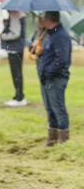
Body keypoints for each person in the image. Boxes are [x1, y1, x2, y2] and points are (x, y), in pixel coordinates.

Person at [38, 11, 71, 146]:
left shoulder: (60, 37)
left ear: (49, 19)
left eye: (43, 18)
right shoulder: (49, 35)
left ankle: (63, 141)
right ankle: (52, 139)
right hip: (47, 78)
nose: (41, 20)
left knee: (58, 108)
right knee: (50, 109)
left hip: (55, 79)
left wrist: (48, 72)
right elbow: (48, 56)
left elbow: (61, 60)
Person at [0, 10, 27, 106]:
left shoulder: (14, 15)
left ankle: (19, 97)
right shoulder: (19, 14)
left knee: (16, 73)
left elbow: (15, 33)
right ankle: (18, 95)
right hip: (17, 47)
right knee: (17, 73)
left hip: (14, 48)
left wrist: (2, 36)